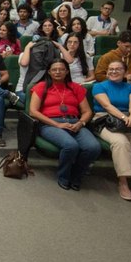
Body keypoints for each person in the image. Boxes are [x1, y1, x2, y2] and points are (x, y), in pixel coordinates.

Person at [29, 58, 101, 190]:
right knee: (70, 145)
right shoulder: (41, 87)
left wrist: (81, 123)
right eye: (54, 70)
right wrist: (57, 125)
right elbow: (33, 111)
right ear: (49, 72)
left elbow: (87, 111)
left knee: (93, 147)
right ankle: (64, 176)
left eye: (61, 69)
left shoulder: (76, 88)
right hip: (50, 124)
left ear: (67, 71)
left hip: (75, 122)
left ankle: (76, 175)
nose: (58, 72)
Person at [92, 60, 131, 202]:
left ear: (125, 72)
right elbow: (107, 106)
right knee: (121, 143)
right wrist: (123, 117)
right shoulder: (98, 86)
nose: (113, 71)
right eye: (111, 69)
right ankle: (123, 182)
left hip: (130, 120)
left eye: (118, 69)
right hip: (106, 120)